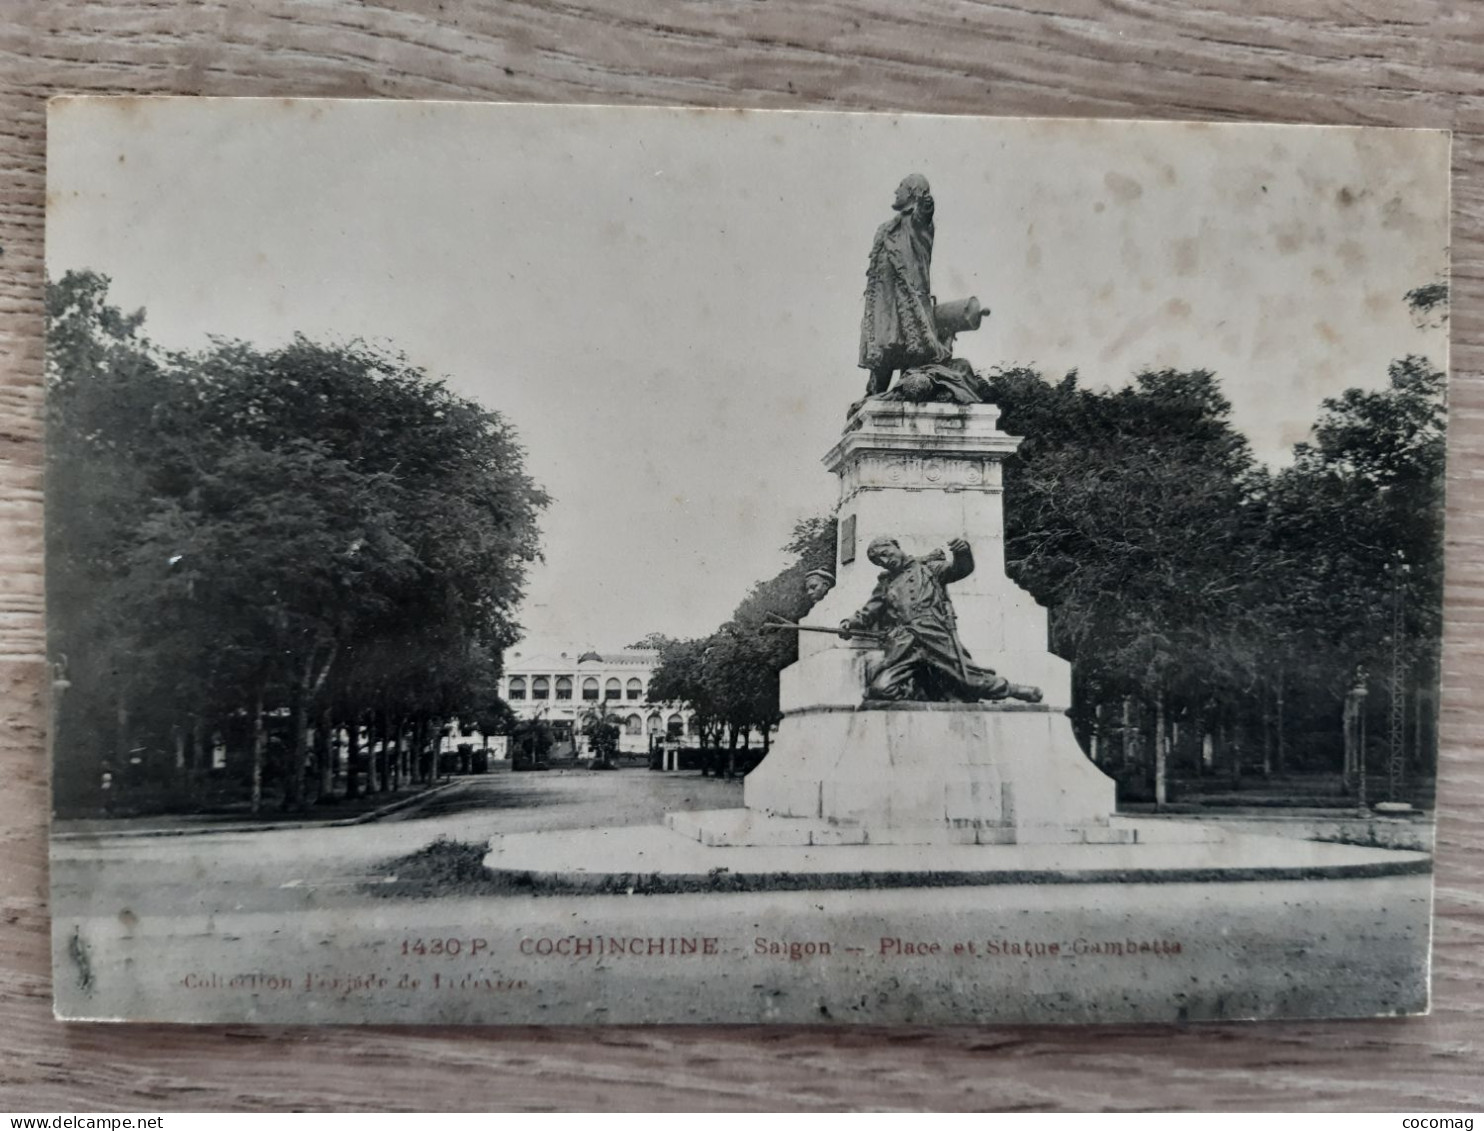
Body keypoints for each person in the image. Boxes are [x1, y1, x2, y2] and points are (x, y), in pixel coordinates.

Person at [840, 535, 1041, 704]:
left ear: (896, 546)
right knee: (881, 688)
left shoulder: (929, 569)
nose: (884, 561)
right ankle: (929, 693)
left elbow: (959, 570)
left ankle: (1013, 690)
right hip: (904, 644)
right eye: (878, 561)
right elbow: (868, 611)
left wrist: (962, 553)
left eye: (885, 553)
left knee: (970, 679)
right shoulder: (886, 583)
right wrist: (849, 623)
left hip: (934, 635)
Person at [859, 174, 951, 397]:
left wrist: (925, 204)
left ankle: (906, 389)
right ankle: (876, 394)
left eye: (900, 186)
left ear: (913, 192)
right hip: (885, 307)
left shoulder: (916, 223)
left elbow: (924, 216)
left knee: (911, 349)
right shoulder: (885, 229)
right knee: (883, 352)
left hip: (909, 304)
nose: (895, 191)